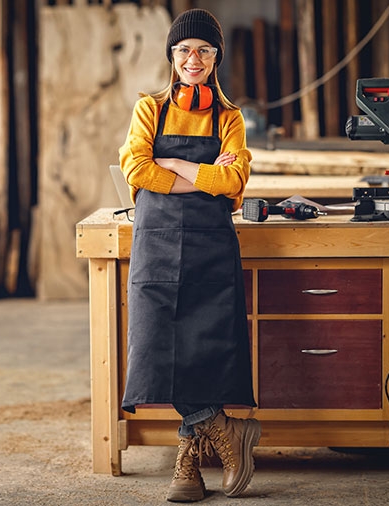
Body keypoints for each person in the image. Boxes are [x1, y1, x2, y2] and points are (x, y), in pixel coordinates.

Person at [117, 8, 260, 502]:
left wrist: (174, 163)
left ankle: (188, 462)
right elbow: (135, 169)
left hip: (210, 251)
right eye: (183, 50)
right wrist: (203, 177)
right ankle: (222, 428)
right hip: (156, 250)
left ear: (216, 57)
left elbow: (234, 182)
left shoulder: (230, 117)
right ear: (171, 57)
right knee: (158, 353)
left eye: (203, 50)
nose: (192, 59)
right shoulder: (148, 109)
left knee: (203, 352)